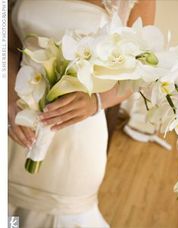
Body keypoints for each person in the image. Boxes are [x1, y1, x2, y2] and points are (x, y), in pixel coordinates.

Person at [8, 0, 156, 227]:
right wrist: (9, 99)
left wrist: (96, 101)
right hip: (13, 123)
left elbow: (141, 71)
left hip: (74, 141)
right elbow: (7, 45)